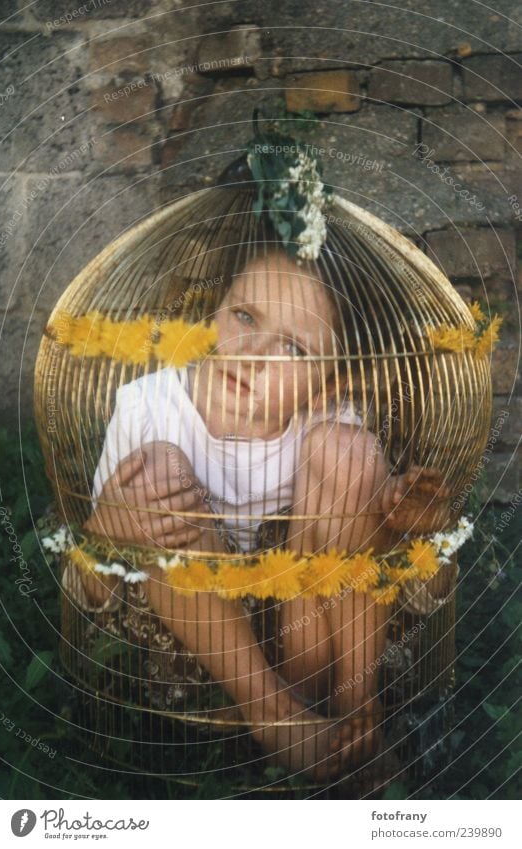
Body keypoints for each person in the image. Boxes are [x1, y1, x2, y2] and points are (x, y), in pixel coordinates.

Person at [81, 245, 449, 783]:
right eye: (244, 315)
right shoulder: (148, 409)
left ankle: (354, 714)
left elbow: (365, 554)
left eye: (294, 349)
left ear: (328, 382)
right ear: (212, 310)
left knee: (350, 453)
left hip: (307, 645)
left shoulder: (327, 420)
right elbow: (92, 591)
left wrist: (398, 518)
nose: (252, 354)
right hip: (200, 651)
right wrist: (106, 531)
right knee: (156, 472)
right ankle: (273, 717)